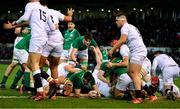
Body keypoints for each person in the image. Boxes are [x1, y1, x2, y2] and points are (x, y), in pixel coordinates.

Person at [108, 13, 156, 103]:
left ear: (122, 20)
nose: (116, 22)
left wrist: (112, 50)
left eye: (116, 20)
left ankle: (139, 98)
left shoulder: (125, 27)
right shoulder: (131, 26)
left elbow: (122, 40)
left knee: (134, 74)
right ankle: (151, 95)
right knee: (131, 73)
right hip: (139, 51)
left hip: (137, 51)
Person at [13, 0, 56, 101]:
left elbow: (24, 18)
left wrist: (15, 23)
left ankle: (40, 92)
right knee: (29, 64)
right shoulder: (47, 11)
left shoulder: (32, 6)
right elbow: (53, 27)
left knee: (34, 64)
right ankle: (50, 80)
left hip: (36, 38)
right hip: (44, 39)